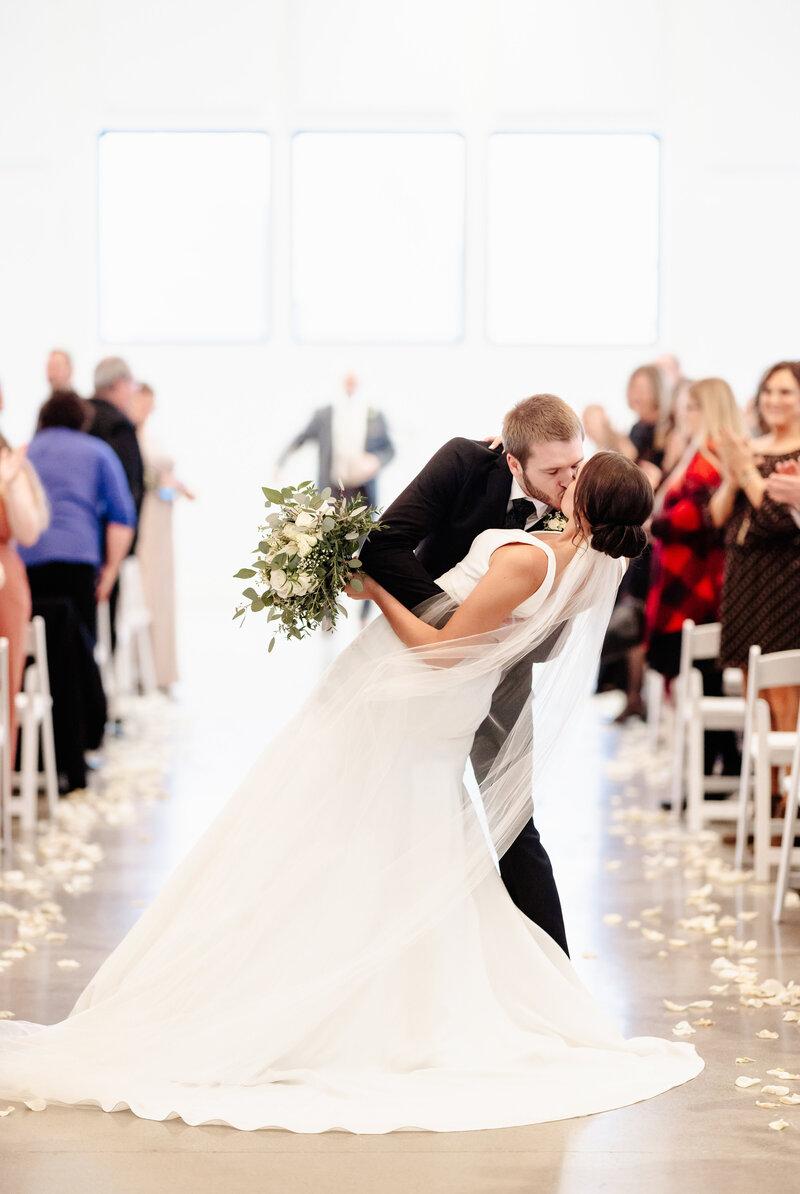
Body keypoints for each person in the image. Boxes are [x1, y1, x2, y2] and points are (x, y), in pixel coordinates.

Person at [0, 451, 702, 1131]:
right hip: (447, 711)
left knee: (333, 819)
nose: (568, 477)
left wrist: (379, 589)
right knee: (396, 831)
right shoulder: (587, 567)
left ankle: (324, 990)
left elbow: (439, 650)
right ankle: (392, 988)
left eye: (580, 475)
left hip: (417, 697)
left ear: (586, 501)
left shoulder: (531, 556)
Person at [360, 394, 583, 953]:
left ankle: (553, 975)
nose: (566, 481)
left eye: (574, 465)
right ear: (513, 461)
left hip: (508, 675)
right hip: (422, 661)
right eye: (553, 471)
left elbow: (555, 637)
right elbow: (383, 546)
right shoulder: (465, 462)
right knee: (409, 805)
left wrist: (480, 646)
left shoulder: (582, 500)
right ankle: (405, 955)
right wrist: (457, 633)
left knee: (514, 821)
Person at [19, 392, 136, 790]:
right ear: (81, 419)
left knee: (32, 661)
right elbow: (122, 517)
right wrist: (110, 572)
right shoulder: (98, 451)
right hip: (77, 565)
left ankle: (33, 757)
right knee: (76, 659)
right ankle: (77, 754)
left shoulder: (24, 451)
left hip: (26, 569)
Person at [645, 378, 743, 776]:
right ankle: (717, 770)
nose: (681, 416)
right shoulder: (698, 454)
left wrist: (654, 521)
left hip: (697, 588)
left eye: (688, 407)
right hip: (688, 582)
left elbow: (698, 520)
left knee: (704, 681)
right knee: (703, 683)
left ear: (707, 410)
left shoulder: (711, 457)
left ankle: (715, 772)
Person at [711, 361, 800, 737]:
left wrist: (747, 472)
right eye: (768, 391)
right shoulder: (752, 447)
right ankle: (760, 784)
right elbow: (717, 517)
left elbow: (777, 517)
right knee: (751, 684)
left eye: (785, 392)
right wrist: (733, 477)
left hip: (784, 577)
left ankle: (784, 790)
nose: (773, 400)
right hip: (744, 574)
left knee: (780, 683)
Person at [130, 383, 195, 691]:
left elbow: (165, 478)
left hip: (162, 518)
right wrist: (158, 481)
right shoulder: (128, 438)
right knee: (144, 587)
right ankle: (138, 667)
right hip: (145, 520)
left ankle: (162, 668)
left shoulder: (154, 437)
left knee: (163, 588)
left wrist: (178, 486)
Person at [0, 382, 49, 753]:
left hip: (6, 585)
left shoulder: (10, 457)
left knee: (5, 681)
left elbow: (29, 531)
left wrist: (10, 481)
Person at [277, 371, 394, 508]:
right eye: (347, 382)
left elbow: (390, 450)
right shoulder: (323, 415)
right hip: (331, 491)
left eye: (353, 382)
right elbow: (301, 439)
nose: (350, 387)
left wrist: (376, 460)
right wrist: (280, 463)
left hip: (363, 492)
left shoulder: (375, 416)